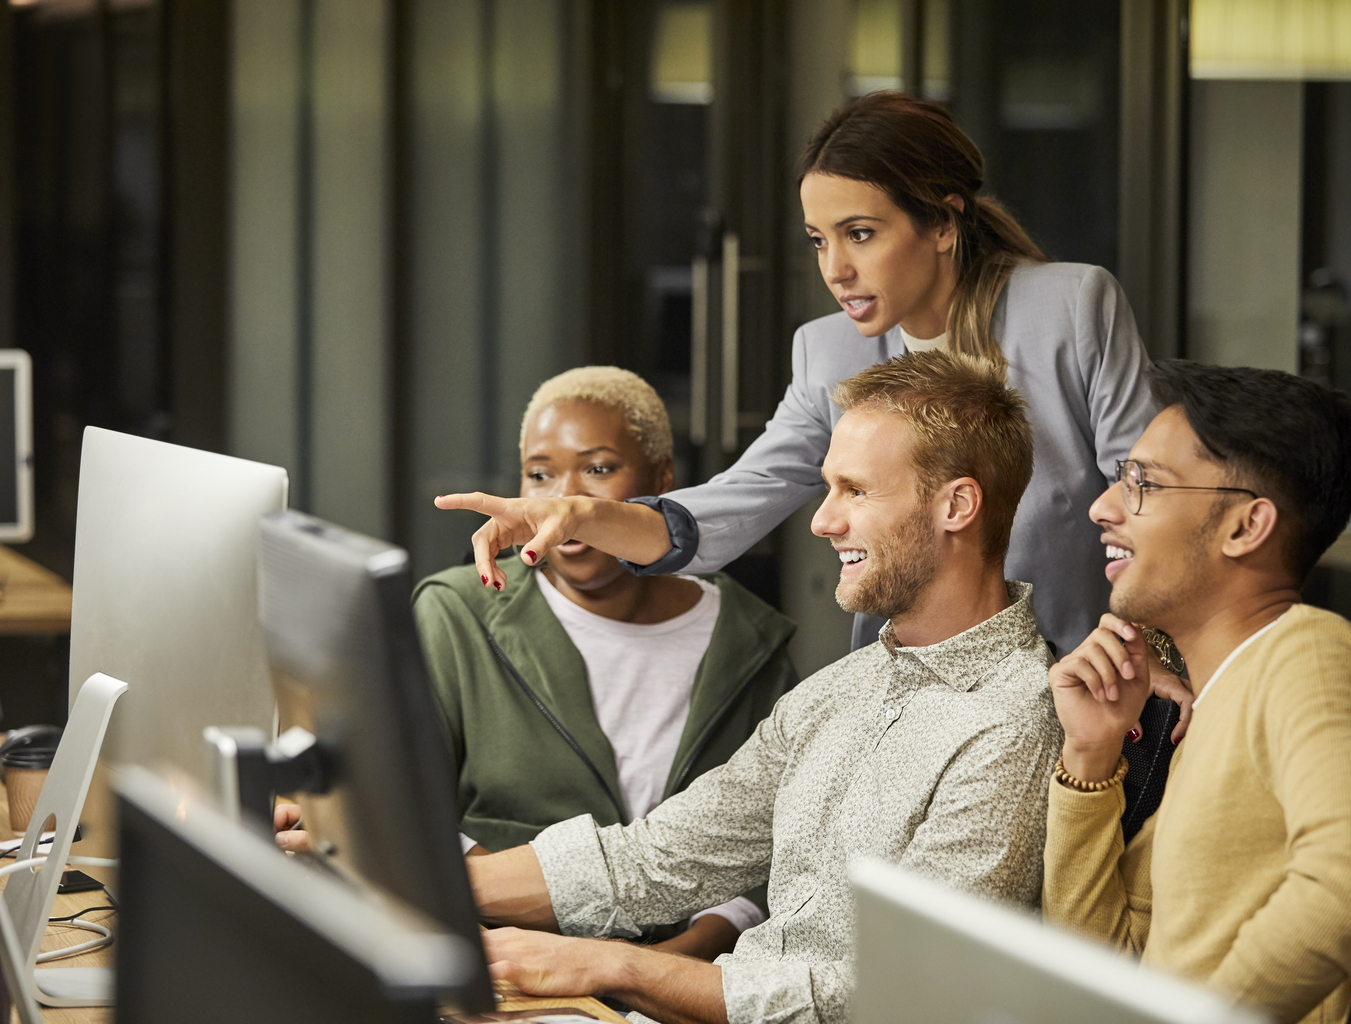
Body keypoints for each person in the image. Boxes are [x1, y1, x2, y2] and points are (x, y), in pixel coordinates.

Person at [436, 90, 1156, 655]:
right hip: (904, 690)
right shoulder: (830, 353)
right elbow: (733, 505)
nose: (835, 270)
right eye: (819, 240)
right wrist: (584, 516)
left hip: (1071, 678)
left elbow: (1153, 499)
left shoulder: (1069, 307)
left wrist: (1144, 647)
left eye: (861, 234)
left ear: (943, 223)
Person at [462, 351, 1063, 1024]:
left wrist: (613, 965)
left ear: (957, 506)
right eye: (828, 488)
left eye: (855, 491)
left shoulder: (1015, 720)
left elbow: (901, 995)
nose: (823, 521)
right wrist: (412, 879)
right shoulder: (834, 692)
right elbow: (658, 860)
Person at [281, 367, 799, 963]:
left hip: (693, 979)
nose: (564, 500)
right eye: (540, 475)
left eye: (598, 469)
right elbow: (402, 808)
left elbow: (772, 851)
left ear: (662, 481)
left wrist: (671, 962)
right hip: (504, 964)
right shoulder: (456, 615)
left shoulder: (750, 640)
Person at [1041, 361, 1351, 1024]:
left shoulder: (1309, 657)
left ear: (1246, 527)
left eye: (1144, 484)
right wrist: (1091, 757)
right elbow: (1096, 978)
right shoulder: (1216, 700)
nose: (1103, 507)